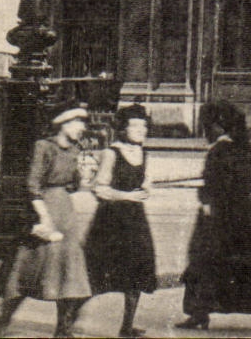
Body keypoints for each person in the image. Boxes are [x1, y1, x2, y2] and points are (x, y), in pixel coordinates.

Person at [179, 100, 251, 331]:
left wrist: (205, 197)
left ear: (219, 126)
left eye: (208, 126)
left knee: (203, 264)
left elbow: (218, 187)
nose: (205, 131)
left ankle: (199, 313)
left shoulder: (220, 151)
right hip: (236, 223)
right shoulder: (238, 149)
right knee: (240, 268)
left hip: (218, 222)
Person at [0, 104, 93, 338]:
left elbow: (72, 185)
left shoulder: (75, 150)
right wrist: (44, 219)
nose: (82, 129)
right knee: (29, 269)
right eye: (78, 123)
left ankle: (63, 330)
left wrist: (82, 175)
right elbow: (33, 185)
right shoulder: (44, 147)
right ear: (64, 124)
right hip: (43, 209)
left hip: (65, 213)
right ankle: (3, 320)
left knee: (71, 273)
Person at [85, 104, 157, 338]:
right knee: (96, 274)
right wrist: (128, 196)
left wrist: (146, 187)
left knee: (136, 273)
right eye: (135, 125)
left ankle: (127, 327)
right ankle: (64, 325)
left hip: (135, 220)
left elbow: (145, 179)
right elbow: (100, 189)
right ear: (123, 128)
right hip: (111, 220)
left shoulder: (144, 153)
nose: (141, 130)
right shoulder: (111, 153)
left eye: (144, 126)